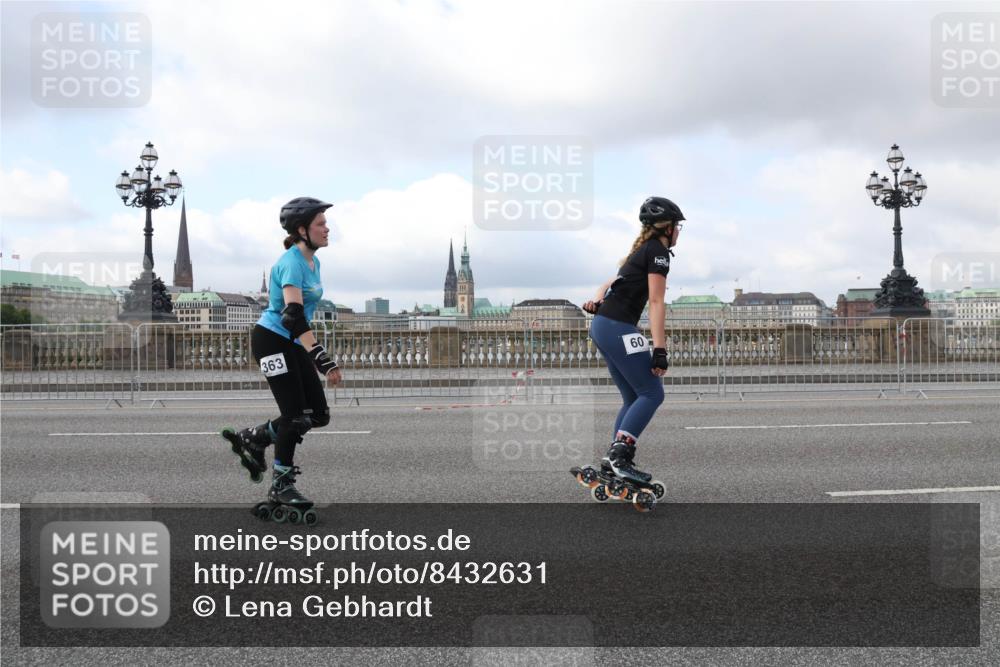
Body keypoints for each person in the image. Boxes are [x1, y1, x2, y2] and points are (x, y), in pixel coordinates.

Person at [222, 197, 342, 517]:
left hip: (291, 342)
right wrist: (321, 356)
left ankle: (254, 438)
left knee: (318, 414)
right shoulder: (291, 262)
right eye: (321, 224)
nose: (327, 228)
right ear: (302, 230)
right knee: (294, 416)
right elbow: (292, 316)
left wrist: (313, 353)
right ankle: (281, 484)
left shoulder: (314, 263)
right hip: (272, 340)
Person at [582, 196, 684, 484]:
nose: (678, 232)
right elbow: (656, 301)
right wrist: (660, 349)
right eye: (677, 227)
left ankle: (611, 461)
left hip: (603, 325)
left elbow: (610, 283)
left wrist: (598, 299)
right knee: (652, 393)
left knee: (633, 397)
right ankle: (620, 458)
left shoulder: (639, 250)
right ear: (667, 228)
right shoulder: (658, 252)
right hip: (618, 327)